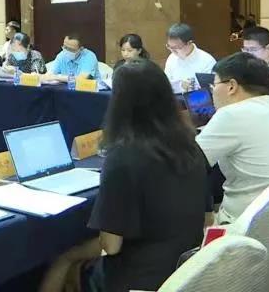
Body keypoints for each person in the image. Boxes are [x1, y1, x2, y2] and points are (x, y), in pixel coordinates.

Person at [40, 59, 210, 292]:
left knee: (63, 261)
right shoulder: (191, 146)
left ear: (118, 102)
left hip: (138, 279)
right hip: (186, 271)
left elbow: (111, 246)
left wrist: (72, 255)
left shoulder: (123, 156)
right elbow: (208, 219)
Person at [196, 52, 269, 224]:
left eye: (214, 84)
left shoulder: (231, 114)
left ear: (231, 86)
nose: (212, 91)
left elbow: (188, 164)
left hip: (250, 223)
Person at [164, 23, 216, 93]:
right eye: (169, 46)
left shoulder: (207, 61)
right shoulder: (171, 58)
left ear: (189, 43)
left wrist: (190, 87)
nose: (173, 51)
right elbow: (166, 83)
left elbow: (211, 89)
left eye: (177, 47)